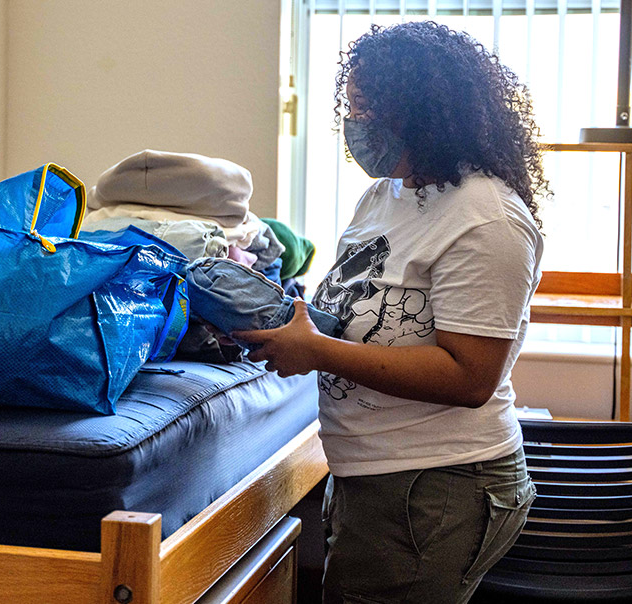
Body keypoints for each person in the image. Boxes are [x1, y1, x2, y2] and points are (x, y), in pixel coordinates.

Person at [233, 21, 547, 604]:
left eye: (371, 111)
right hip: (375, 479)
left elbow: (471, 377)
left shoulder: (486, 218)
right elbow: (361, 311)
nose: (356, 127)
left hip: (434, 487)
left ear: (424, 112)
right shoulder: (384, 196)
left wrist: (318, 350)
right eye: (352, 109)